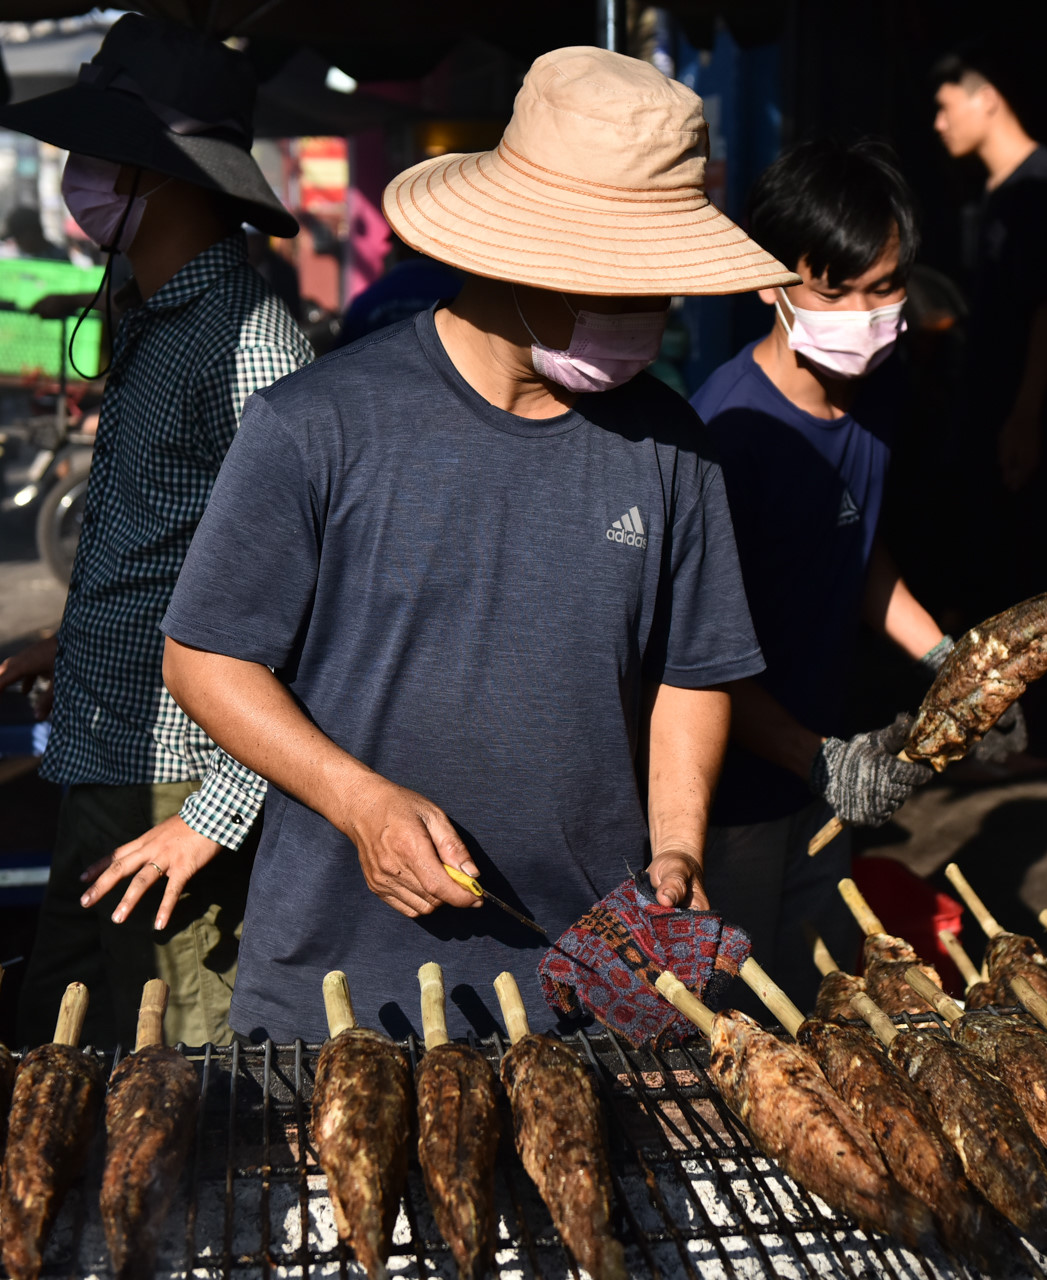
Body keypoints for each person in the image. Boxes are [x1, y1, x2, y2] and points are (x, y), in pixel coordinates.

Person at [139, 48, 796, 1043]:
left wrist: (679, 844)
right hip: (343, 998)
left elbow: (691, 673)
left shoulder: (671, 447)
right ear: (516, 251)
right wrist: (356, 799)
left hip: (596, 987)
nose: (651, 319)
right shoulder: (316, 424)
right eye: (622, 285)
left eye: (662, 290)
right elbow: (204, 657)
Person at [0, 14, 310, 1049]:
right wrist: (68, 641)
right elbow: (163, 537)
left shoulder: (254, 342)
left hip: (185, 773)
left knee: (180, 1070)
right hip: (102, 746)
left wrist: (216, 812)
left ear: (161, 174)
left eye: (94, 155)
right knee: (64, 1048)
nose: (76, 177)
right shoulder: (143, 308)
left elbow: (309, 611)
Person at [690, 138, 950, 1014]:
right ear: (770, 280)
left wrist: (949, 656)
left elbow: (855, 545)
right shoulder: (728, 438)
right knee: (729, 1034)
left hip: (821, 782)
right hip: (728, 805)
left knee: (823, 1011)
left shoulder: (875, 390)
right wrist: (819, 761)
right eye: (833, 291)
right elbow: (699, 658)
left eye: (885, 288)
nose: (865, 315)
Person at [932, 45, 1047, 770]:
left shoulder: (1042, 188)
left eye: (945, 104)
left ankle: (1042, 738)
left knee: (1029, 577)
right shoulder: (1001, 191)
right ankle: (1009, 733)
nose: (937, 123)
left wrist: (1027, 414)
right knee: (994, 575)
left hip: (1018, 424)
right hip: (991, 419)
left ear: (985, 95)